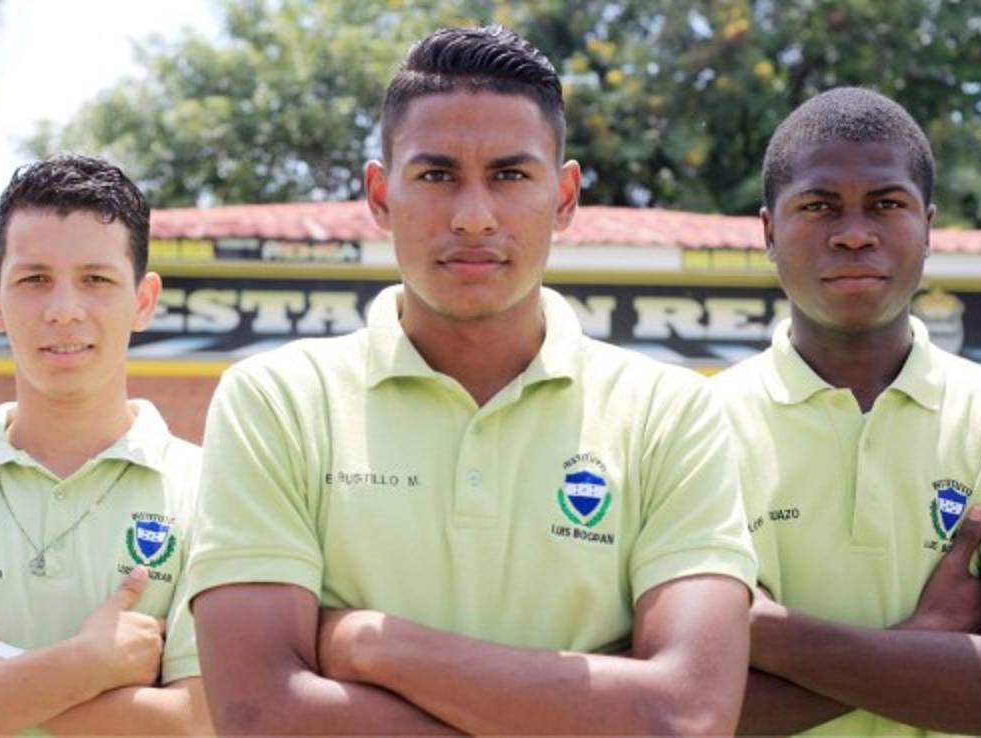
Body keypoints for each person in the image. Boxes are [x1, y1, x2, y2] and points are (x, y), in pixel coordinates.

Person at [186, 25, 755, 735]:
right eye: (436, 175)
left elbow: (686, 716)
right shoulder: (277, 401)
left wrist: (372, 643)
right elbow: (260, 716)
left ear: (566, 195)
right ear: (380, 194)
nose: (474, 216)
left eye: (511, 175)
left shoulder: (669, 413)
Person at [711, 87, 981, 736]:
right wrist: (930, 641)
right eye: (819, 206)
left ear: (928, 227)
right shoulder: (697, 427)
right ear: (768, 231)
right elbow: (676, 709)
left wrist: (768, 635)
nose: (854, 234)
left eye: (887, 204)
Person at [0, 155, 210, 734]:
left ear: (144, 300)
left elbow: (200, 722)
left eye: (96, 280)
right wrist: (83, 665)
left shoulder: (210, 490)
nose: (63, 311)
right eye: (34, 280)